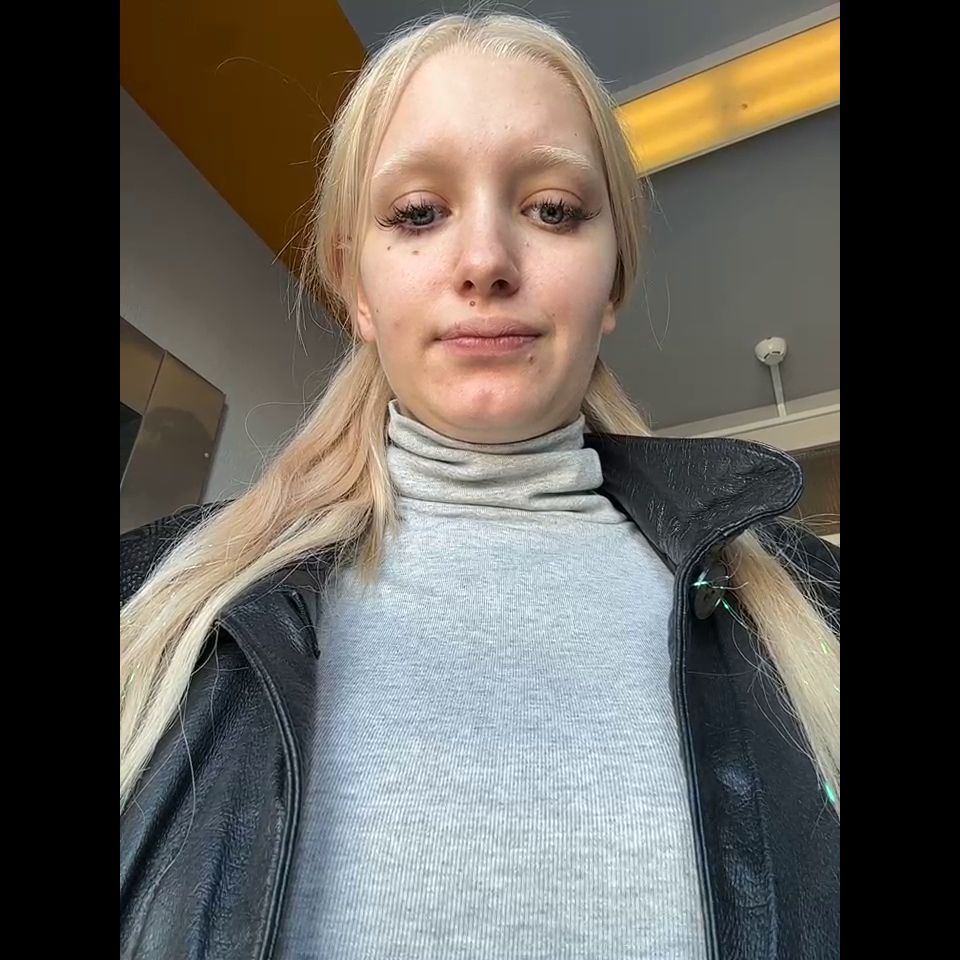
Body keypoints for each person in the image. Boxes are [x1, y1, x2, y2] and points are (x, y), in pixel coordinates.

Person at [120, 11, 840, 960]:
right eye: (419, 213)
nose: (486, 263)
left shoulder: (810, 608)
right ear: (356, 288)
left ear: (613, 283)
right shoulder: (150, 605)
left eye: (553, 209)